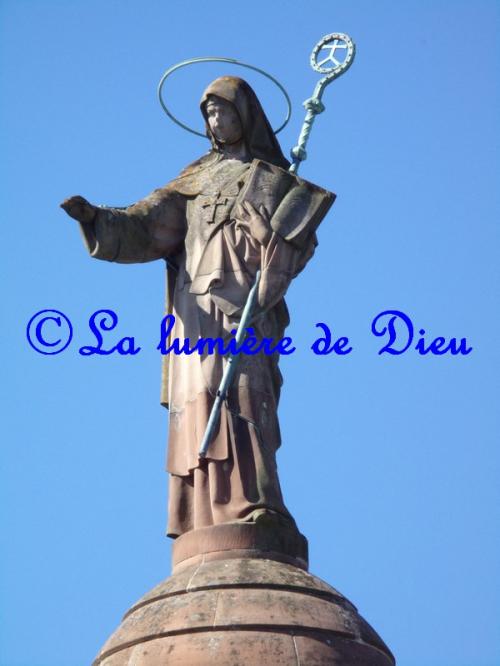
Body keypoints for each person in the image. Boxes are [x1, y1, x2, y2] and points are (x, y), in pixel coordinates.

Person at [61, 76, 334, 538]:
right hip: (194, 307)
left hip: (245, 304)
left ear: (244, 115)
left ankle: (256, 502)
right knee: (200, 400)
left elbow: (292, 250)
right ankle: (199, 514)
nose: (215, 119)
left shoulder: (271, 181)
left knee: (245, 391)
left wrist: (270, 237)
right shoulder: (194, 179)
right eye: (208, 113)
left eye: (223, 110)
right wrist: (98, 219)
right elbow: (147, 224)